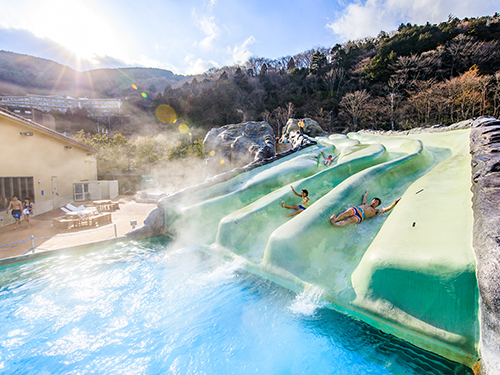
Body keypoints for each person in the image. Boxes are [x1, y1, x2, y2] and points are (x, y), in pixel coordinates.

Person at [330, 189, 401, 226]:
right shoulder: (365, 203)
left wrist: (394, 204)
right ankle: (335, 219)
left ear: (377, 205)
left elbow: (386, 209)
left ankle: (338, 224)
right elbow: (365, 196)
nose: (374, 202)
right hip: (356, 209)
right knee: (347, 213)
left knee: (350, 220)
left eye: (376, 202)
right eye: (374, 201)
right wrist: (367, 192)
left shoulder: (376, 211)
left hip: (361, 216)